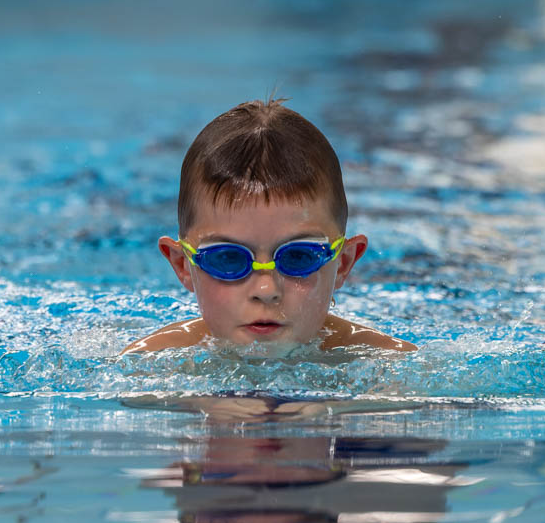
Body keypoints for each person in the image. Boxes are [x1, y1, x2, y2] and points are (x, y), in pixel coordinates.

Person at [122, 99, 416, 354]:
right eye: (228, 258)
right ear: (183, 265)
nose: (266, 290)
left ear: (343, 263)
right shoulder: (146, 366)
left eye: (299, 256)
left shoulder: (388, 367)